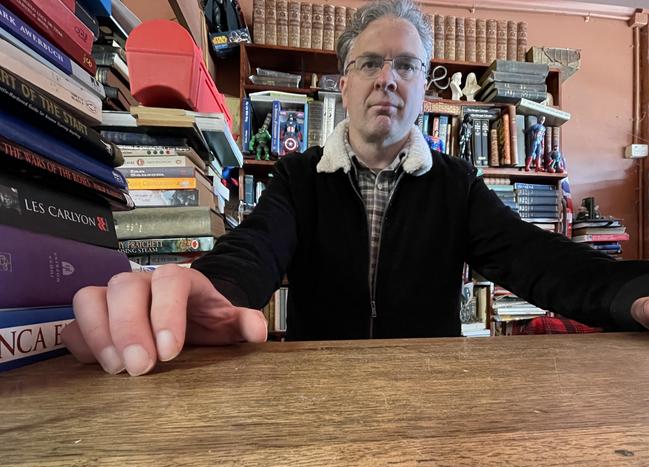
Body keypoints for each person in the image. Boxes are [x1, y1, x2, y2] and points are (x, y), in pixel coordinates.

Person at [63, 0, 649, 376]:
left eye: (407, 66)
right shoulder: (297, 178)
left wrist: (633, 292)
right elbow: (254, 249)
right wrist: (204, 291)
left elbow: (539, 260)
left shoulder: (457, 185)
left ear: (425, 89)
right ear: (342, 85)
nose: (387, 79)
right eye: (369, 63)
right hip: (319, 392)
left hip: (431, 395)